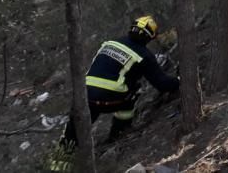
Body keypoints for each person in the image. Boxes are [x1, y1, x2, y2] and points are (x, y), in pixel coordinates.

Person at [48, 16, 179, 171]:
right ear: (151, 36)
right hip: (111, 99)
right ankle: (118, 133)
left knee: (73, 130)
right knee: (133, 92)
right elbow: (162, 84)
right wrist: (179, 81)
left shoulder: (110, 43)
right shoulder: (144, 55)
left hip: (84, 95)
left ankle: (57, 166)